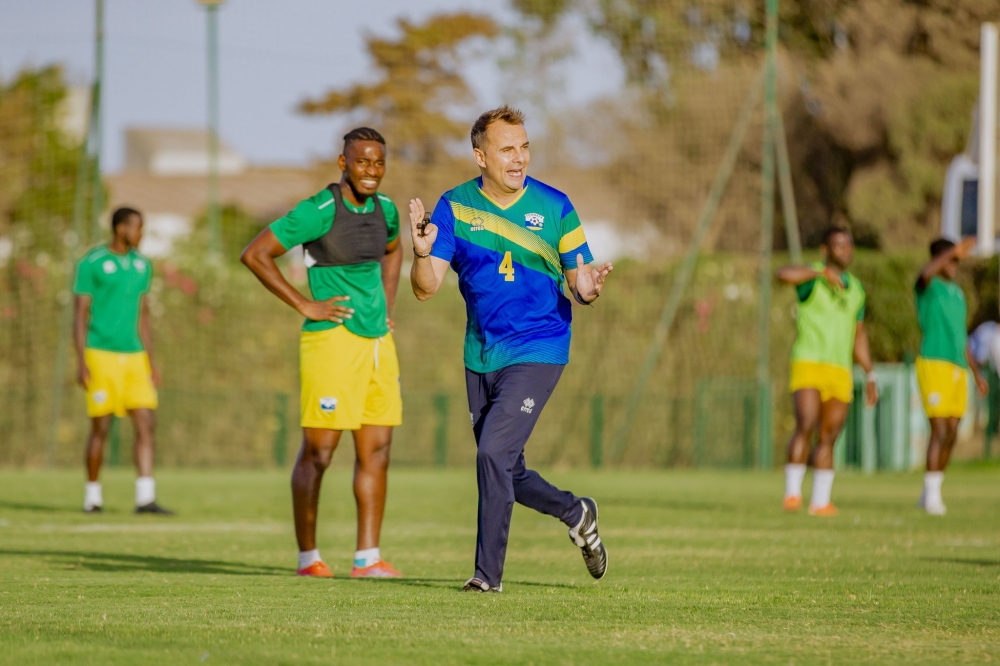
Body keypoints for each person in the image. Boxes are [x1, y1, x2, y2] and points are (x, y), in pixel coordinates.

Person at [408, 105, 611, 592]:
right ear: (480, 155)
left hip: (540, 347)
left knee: (491, 454)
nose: (518, 158)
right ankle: (576, 512)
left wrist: (587, 286)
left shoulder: (556, 205)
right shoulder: (453, 207)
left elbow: (579, 282)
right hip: (481, 353)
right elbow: (425, 288)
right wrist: (419, 255)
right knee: (502, 465)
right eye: (506, 149)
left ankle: (486, 576)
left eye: (523, 147)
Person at [241, 127, 404, 578]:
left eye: (378, 162)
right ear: (343, 163)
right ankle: (308, 558)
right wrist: (304, 303)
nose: (371, 171)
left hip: (378, 344)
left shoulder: (386, 209)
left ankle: (367, 558)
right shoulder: (319, 209)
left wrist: (388, 306)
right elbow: (255, 254)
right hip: (330, 342)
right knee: (320, 452)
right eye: (362, 162)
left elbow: (394, 251)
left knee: (377, 450)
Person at [73, 206, 171, 515]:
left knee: (146, 422)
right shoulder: (92, 263)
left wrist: (151, 360)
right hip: (100, 353)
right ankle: (93, 497)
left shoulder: (142, 265)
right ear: (121, 229)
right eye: (137, 228)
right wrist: (81, 361)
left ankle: (145, 498)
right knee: (101, 427)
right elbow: (79, 314)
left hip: (134, 356)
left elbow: (144, 315)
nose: (141, 235)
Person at [777, 227, 878, 517]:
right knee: (805, 423)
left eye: (848, 245)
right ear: (825, 250)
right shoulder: (812, 278)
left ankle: (820, 501)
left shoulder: (856, 289)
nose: (845, 250)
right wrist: (819, 274)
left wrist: (870, 373)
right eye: (838, 245)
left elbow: (859, 336)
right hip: (809, 361)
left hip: (839, 369)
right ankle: (792, 494)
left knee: (829, 434)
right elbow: (783, 274)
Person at [914, 237, 988, 515]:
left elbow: (962, 337)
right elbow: (924, 273)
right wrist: (951, 252)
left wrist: (977, 374)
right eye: (950, 259)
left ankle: (931, 490)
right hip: (934, 363)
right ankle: (932, 496)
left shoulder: (957, 293)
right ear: (938, 259)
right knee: (940, 429)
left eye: (957, 260)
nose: (955, 264)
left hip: (957, 367)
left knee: (953, 432)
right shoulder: (928, 286)